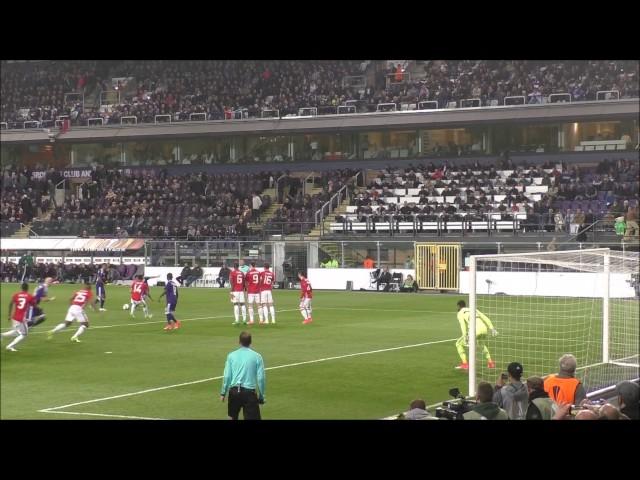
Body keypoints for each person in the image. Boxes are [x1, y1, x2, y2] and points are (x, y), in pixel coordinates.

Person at [220, 331, 266, 420]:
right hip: (249, 393)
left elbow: (227, 376)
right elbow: (261, 378)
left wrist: (223, 392)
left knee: (231, 417)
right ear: (251, 342)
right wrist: (261, 396)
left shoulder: (231, 356)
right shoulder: (257, 356)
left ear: (239, 342)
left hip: (234, 392)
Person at [455, 300, 498, 370]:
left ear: (458, 306)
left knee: (458, 344)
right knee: (482, 345)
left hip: (474, 330)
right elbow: (485, 318)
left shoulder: (460, 313)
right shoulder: (474, 309)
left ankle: (465, 364)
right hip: (484, 329)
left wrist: (465, 336)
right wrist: (492, 328)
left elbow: (463, 325)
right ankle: (490, 363)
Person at [2, 283, 36, 351]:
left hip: (14, 317)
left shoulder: (16, 295)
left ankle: (1, 335)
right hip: (21, 319)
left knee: (16, 332)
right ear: (27, 288)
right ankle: (10, 346)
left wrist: (9, 315)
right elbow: (34, 305)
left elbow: (11, 304)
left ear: (21, 288)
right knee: (24, 334)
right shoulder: (29, 296)